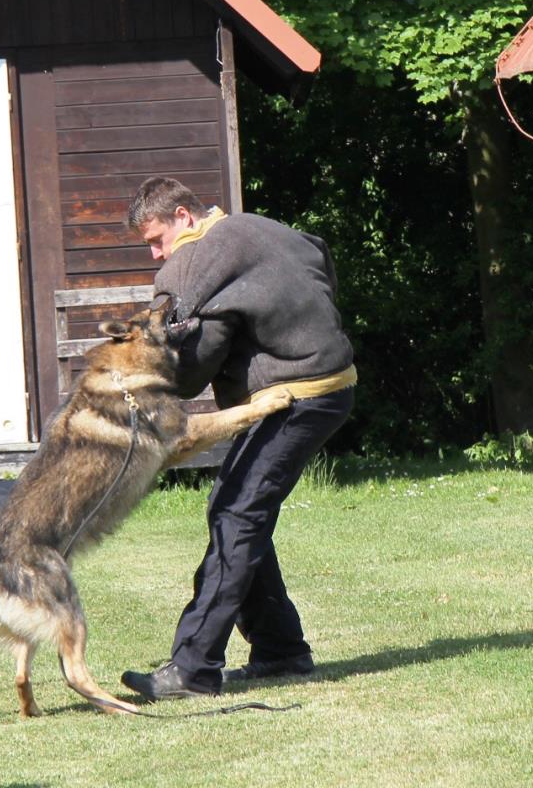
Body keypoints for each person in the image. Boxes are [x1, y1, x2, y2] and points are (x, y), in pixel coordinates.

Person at [119, 176, 356, 702]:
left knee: (235, 515)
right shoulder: (259, 229)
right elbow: (319, 260)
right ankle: (280, 650)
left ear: (183, 215)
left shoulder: (197, 259)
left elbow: (189, 373)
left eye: (156, 239)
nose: (156, 254)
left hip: (296, 397)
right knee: (237, 509)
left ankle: (192, 668)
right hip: (330, 385)